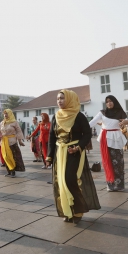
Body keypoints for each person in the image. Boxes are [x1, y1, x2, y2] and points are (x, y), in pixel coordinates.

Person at [46, 89, 100, 224]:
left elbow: (87, 134)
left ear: (70, 99)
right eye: (58, 99)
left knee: (70, 179)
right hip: (60, 152)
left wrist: (79, 147)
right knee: (61, 182)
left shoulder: (78, 116)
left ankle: (78, 209)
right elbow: (52, 138)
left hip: (74, 151)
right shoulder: (56, 116)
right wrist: (49, 156)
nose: (59, 101)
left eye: (62, 98)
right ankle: (68, 211)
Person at [88, 95, 128, 191]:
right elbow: (92, 122)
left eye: (111, 101)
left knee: (118, 162)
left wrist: (124, 122)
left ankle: (119, 185)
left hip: (116, 138)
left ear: (114, 102)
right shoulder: (102, 112)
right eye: (107, 101)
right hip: (105, 138)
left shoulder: (120, 112)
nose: (109, 103)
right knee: (107, 161)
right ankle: (110, 184)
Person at [0, 109, 26, 177]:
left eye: (6, 114)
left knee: (12, 156)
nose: (5, 115)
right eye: (4, 114)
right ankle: (9, 170)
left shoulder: (14, 122)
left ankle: (13, 171)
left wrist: (20, 140)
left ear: (10, 114)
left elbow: (19, 131)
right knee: (5, 157)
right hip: (4, 142)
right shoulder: (2, 123)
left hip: (12, 142)